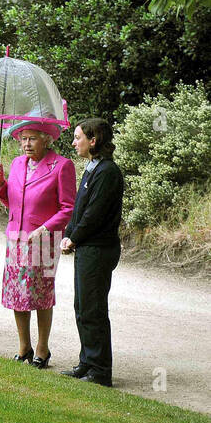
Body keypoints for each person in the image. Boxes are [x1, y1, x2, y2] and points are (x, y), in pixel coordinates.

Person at [0, 120, 77, 368]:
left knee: (40, 294)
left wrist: (44, 228)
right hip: (16, 238)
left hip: (44, 240)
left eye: (32, 138)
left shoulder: (62, 166)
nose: (26, 144)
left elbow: (68, 209)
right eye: (23, 138)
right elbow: (13, 201)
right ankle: (24, 346)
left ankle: (42, 347)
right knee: (16, 293)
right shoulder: (18, 163)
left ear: (46, 140)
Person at [61, 118, 124, 387]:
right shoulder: (91, 168)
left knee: (93, 308)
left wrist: (73, 238)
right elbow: (79, 210)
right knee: (82, 306)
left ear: (93, 140)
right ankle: (87, 361)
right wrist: (67, 234)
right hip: (86, 247)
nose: (74, 142)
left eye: (78, 137)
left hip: (98, 249)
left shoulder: (108, 172)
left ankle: (100, 370)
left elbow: (94, 215)